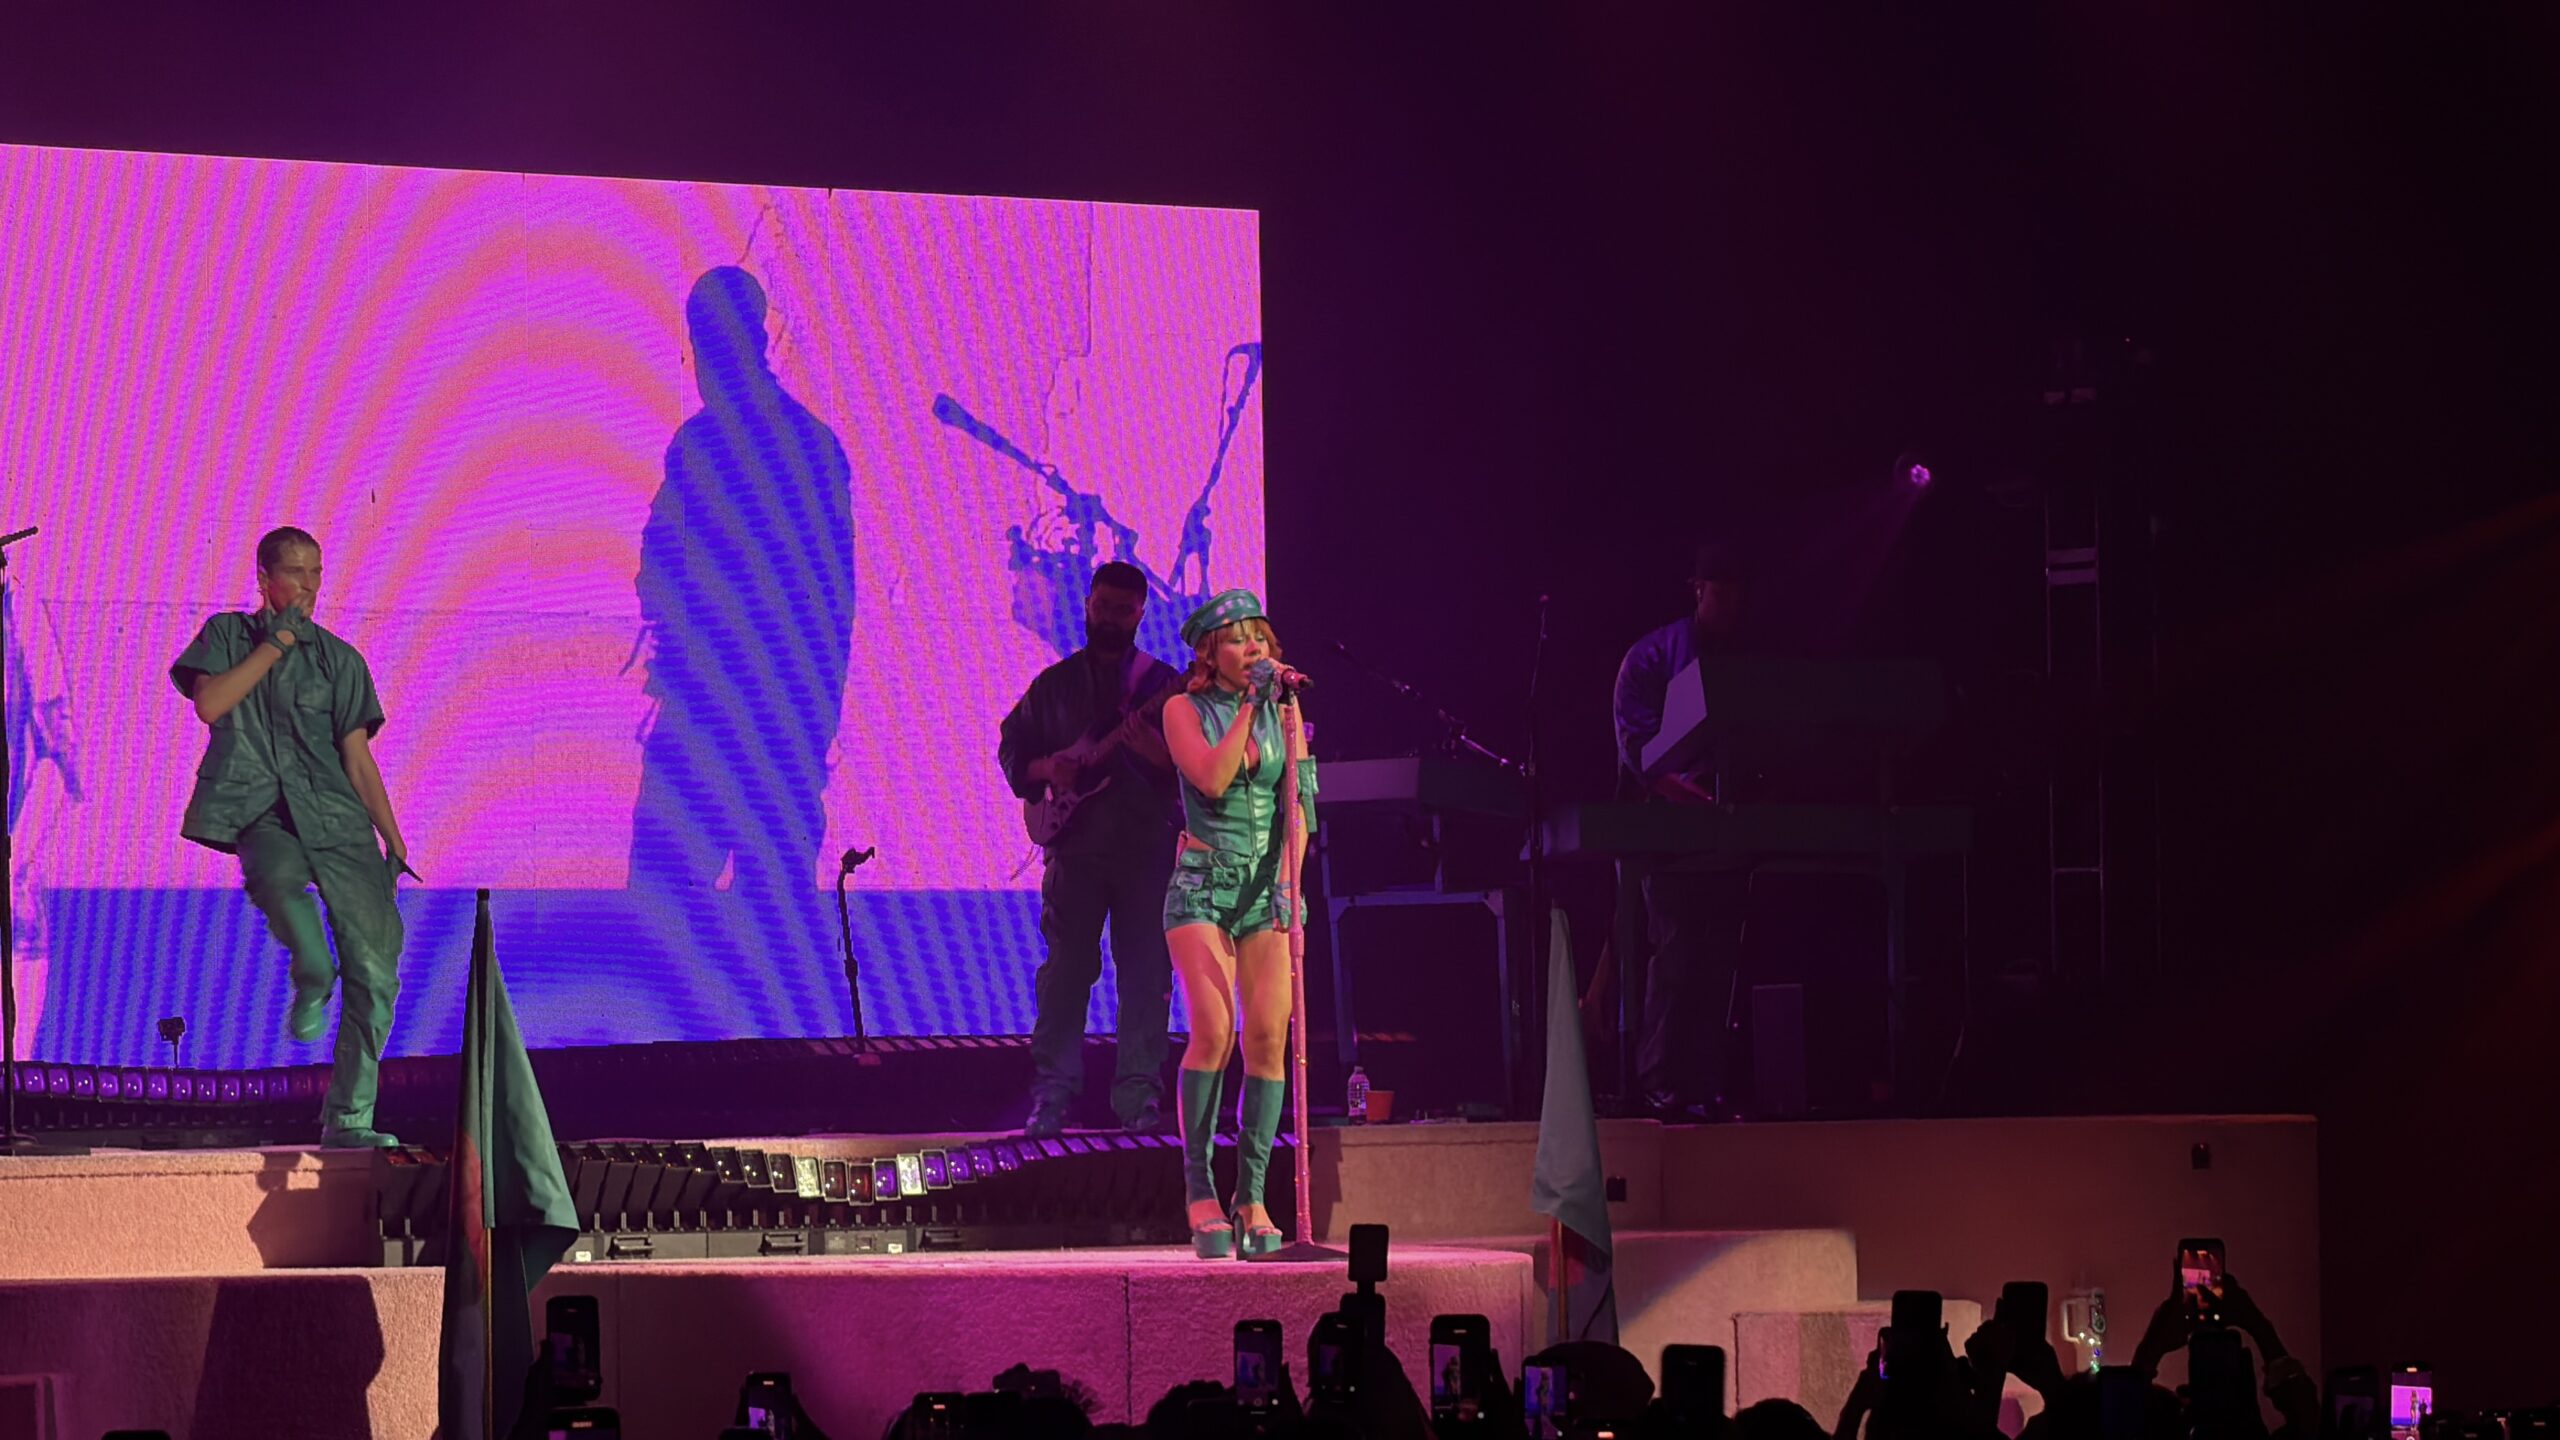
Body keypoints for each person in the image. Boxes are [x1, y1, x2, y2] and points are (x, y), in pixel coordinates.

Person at [628, 265, 855, 1034]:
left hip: (737, 717)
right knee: (754, 900)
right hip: (749, 715)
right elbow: (834, 603)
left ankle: (718, 1068)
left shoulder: (726, 447)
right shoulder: (781, 446)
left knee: (717, 895)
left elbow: (828, 602)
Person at [170, 527, 410, 1147]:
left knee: (376, 971)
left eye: (316, 573)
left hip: (337, 819)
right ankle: (311, 975)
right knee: (275, 879)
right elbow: (211, 704)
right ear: (264, 578)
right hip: (262, 809)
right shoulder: (228, 635)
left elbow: (356, 757)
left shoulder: (340, 660)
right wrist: (275, 645)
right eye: (295, 572)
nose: (307, 586)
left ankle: (351, 1117)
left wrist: (392, 833)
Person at [997, 562, 1183, 1138]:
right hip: (1074, 853)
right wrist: (1046, 767)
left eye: (1122, 610)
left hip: (1146, 852)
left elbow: (1194, 772)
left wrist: (1156, 755)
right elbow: (1012, 753)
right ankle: (1052, 1097)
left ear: (1140, 614)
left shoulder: (1165, 686)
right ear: (1087, 605)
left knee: (1147, 978)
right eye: (1102, 607)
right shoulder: (1052, 687)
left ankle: (1138, 1102)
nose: (1110, 618)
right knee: (1066, 975)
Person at [1159, 589, 1316, 1258]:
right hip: (1204, 887)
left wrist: (1290, 880)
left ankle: (1251, 1195)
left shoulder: (1289, 709)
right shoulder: (1181, 709)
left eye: (1260, 636)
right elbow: (1215, 778)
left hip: (1266, 890)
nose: (1253, 648)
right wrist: (1251, 706)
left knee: (1268, 1040)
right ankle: (1199, 1191)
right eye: (1236, 638)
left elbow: (1300, 800)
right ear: (1208, 653)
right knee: (1215, 1032)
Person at [1611, 540, 1754, 1119]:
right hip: (1665, 829)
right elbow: (1639, 751)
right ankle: (1659, 1084)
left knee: (1719, 960)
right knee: (1675, 956)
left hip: (1726, 830)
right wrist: (1689, 798)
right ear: (1699, 590)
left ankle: (1703, 1085)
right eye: (1723, 593)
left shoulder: (1750, 657)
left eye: (1741, 595)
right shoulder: (1650, 658)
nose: (1733, 606)